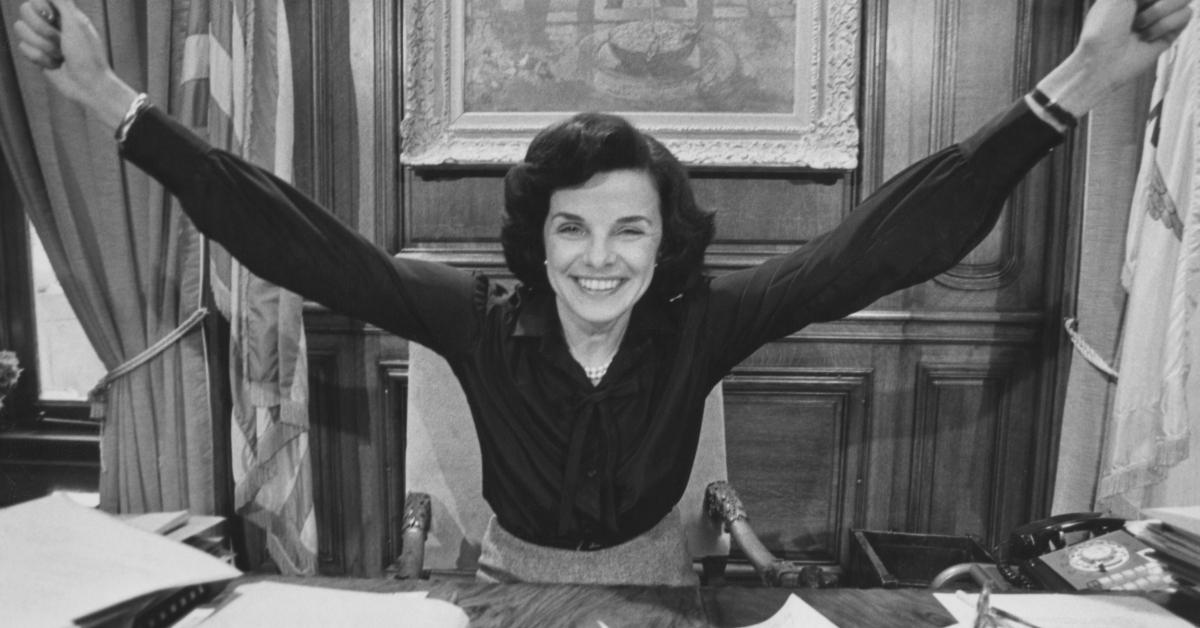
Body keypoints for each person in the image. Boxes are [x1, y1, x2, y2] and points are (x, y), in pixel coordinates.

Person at [13, 0, 1192, 586]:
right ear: (538, 238)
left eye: (629, 229)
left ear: (663, 240)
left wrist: (1084, 79)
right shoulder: (469, 318)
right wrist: (113, 99)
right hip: (504, 597)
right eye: (572, 228)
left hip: (668, 600)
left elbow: (887, 245)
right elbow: (299, 241)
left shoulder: (710, 320)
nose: (598, 257)